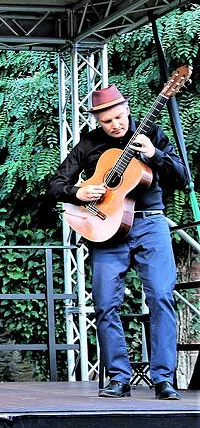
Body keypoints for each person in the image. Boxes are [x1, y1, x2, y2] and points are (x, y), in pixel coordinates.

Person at [49, 84, 187, 400]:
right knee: (105, 304)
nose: (116, 125)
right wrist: (77, 192)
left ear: (127, 109)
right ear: (98, 120)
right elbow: (56, 182)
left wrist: (156, 155)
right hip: (106, 229)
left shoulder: (151, 132)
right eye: (108, 121)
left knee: (162, 297)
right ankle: (118, 378)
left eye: (120, 117)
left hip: (150, 223)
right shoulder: (89, 143)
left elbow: (182, 176)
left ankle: (163, 379)